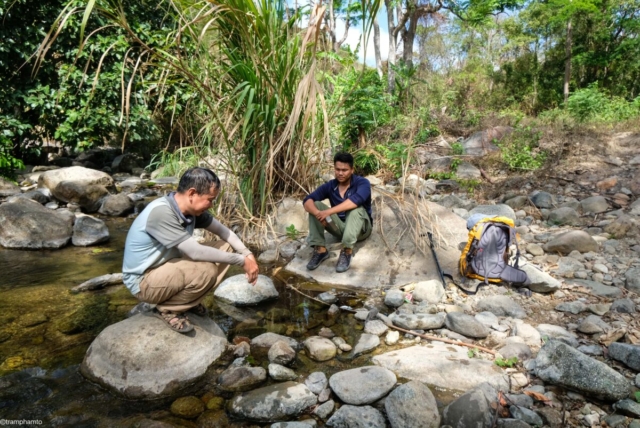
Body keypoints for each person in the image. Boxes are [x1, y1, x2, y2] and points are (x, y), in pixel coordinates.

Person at [122, 167, 259, 333]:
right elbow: (196, 252)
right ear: (192, 193)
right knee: (206, 270)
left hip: (167, 267)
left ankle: (188, 300)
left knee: (226, 247)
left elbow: (224, 232)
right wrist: (242, 261)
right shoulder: (161, 212)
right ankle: (168, 309)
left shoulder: (191, 211)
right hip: (143, 280)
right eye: (210, 199)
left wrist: (247, 253)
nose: (211, 205)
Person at [303, 152, 372, 273]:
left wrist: (328, 212)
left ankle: (347, 251)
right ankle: (320, 250)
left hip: (360, 229)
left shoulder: (362, 183)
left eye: (344, 170)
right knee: (316, 205)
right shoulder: (331, 185)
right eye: (337, 169)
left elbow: (356, 200)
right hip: (339, 229)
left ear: (352, 170)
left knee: (355, 209)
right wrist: (319, 214)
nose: (340, 173)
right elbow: (307, 200)